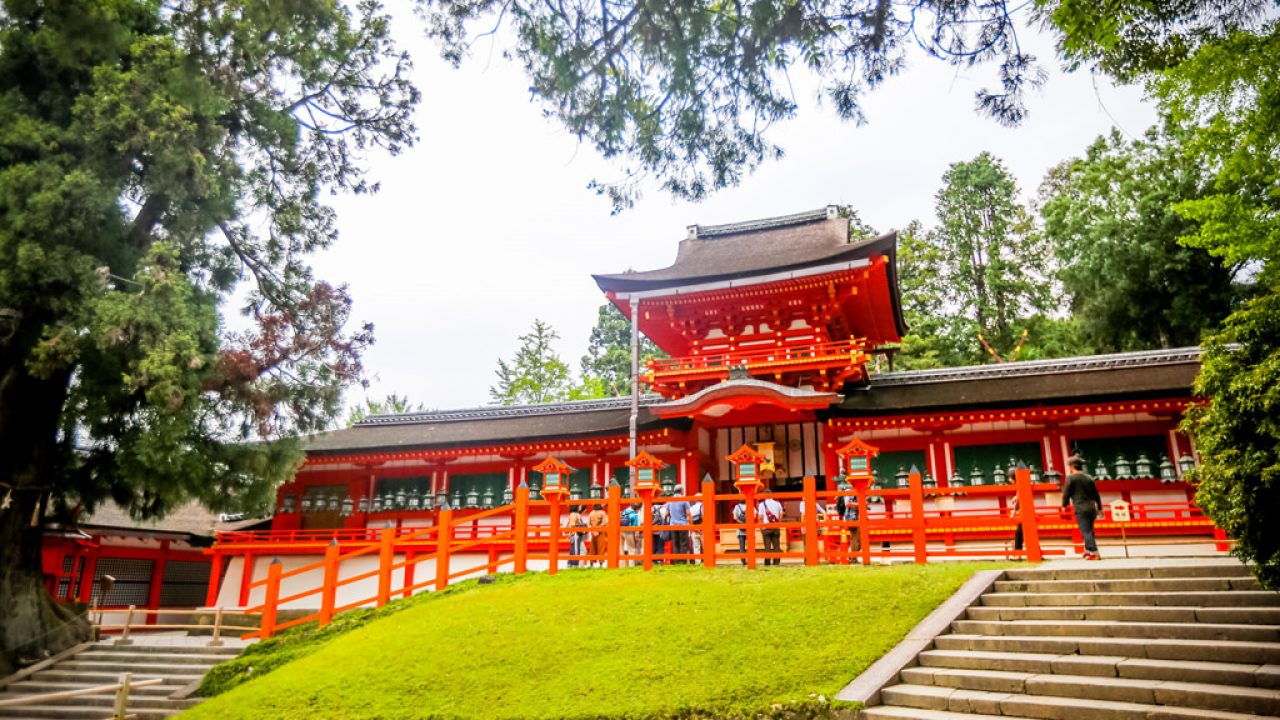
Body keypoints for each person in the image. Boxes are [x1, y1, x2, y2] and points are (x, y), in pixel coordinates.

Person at [1061, 455, 1103, 560]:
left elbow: (1066, 494)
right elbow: (1096, 494)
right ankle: (1088, 550)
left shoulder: (1070, 478)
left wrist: (1063, 505)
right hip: (1092, 508)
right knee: (1090, 530)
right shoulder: (1089, 478)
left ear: (1071, 466)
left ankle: (1094, 552)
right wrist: (1100, 508)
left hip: (1080, 508)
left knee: (1086, 531)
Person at [757, 491, 784, 566]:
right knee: (776, 546)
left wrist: (761, 528)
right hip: (775, 526)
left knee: (767, 546)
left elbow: (760, 518)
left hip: (766, 527)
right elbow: (781, 515)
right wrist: (778, 524)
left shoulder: (762, 505)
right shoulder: (778, 504)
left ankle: (767, 563)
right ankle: (776, 562)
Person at [666, 492, 691, 564]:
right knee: (683, 543)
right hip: (682, 524)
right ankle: (682, 562)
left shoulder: (670, 500)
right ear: (681, 491)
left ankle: (676, 561)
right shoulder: (684, 499)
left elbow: (666, 514)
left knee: (675, 544)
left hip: (673, 525)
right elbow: (688, 513)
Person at [733, 499, 748, 565]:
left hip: (740, 530)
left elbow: (735, 517)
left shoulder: (737, 507)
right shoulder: (749, 505)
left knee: (742, 547)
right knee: (751, 546)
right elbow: (754, 516)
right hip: (749, 529)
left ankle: (743, 561)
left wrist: (740, 522)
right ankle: (751, 559)